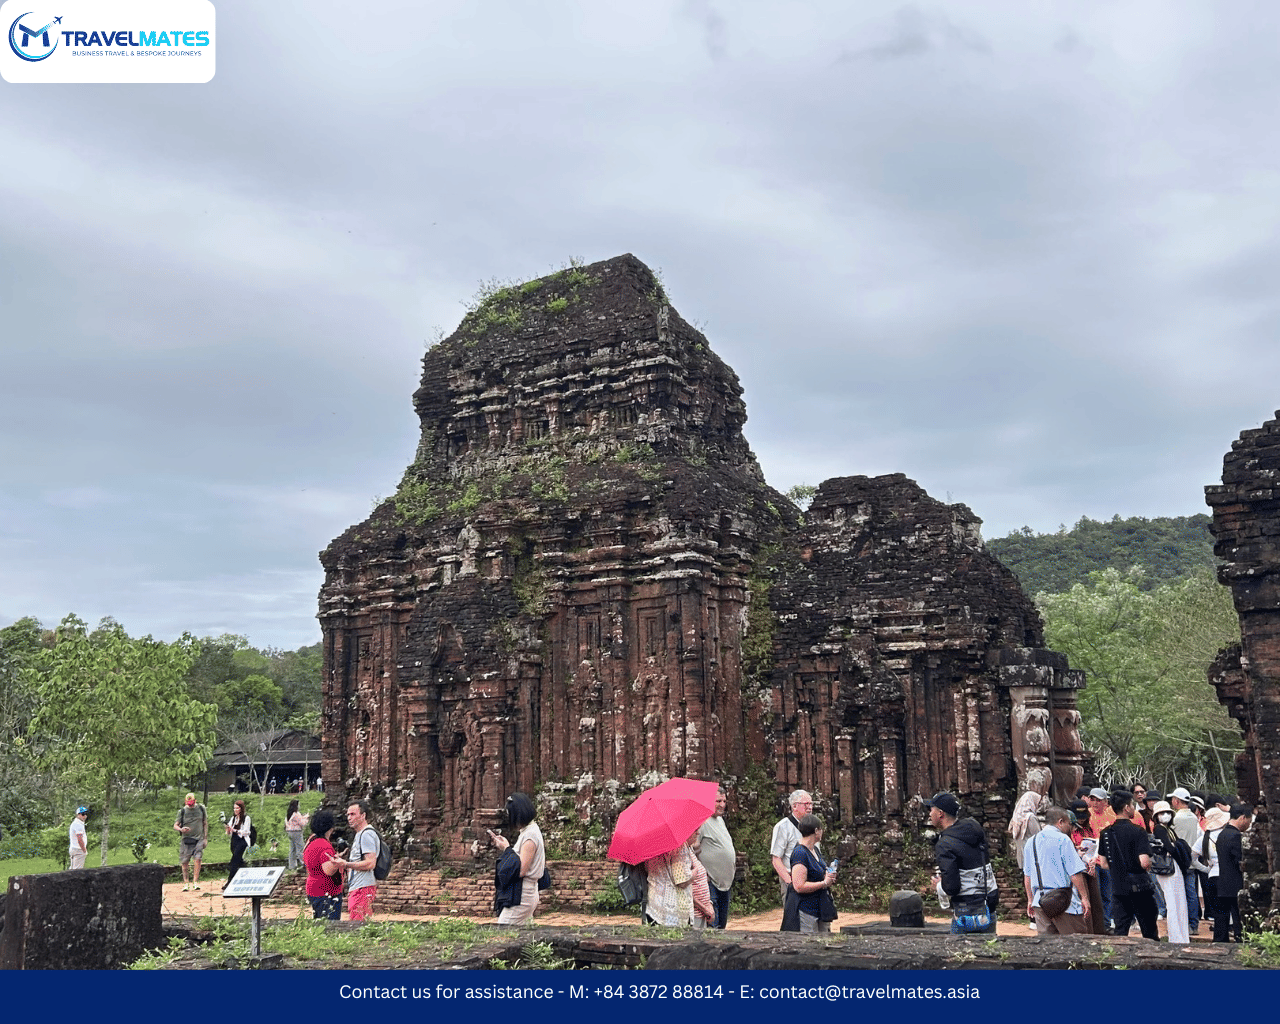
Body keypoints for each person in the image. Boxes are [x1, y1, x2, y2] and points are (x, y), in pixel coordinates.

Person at [927, 792, 995, 934]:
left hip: (966, 911)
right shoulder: (974, 830)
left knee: (961, 947)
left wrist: (939, 885)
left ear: (940, 813)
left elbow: (952, 887)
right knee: (988, 945)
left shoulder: (945, 844)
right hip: (988, 904)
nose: (929, 814)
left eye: (931, 809)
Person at [1097, 792, 1158, 939]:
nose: (1133, 808)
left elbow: (1103, 864)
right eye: (1132, 805)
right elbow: (1144, 862)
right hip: (1140, 887)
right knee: (1149, 930)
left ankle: (1118, 954)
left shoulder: (1105, 833)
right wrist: (1149, 864)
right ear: (1126, 808)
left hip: (1118, 887)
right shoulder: (1138, 831)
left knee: (1121, 931)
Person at [1023, 806, 1091, 934]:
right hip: (1064, 902)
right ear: (1060, 822)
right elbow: (1074, 873)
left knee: (1047, 944)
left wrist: (1030, 900)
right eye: (1069, 824)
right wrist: (1084, 898)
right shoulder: (1063, 840)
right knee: (1076, 942)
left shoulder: (1031, 842)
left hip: (1040, 902)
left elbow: (1028, 876)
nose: (1070, 828)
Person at [490, 792, 545, 925]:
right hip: (523, 891)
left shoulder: (530, 836)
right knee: (523, 934)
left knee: (504, 929)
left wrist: (507, 849)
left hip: (523, 893)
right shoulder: (528, 831)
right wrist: (506, 847)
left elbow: (521, 870)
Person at [692, 786, 736, 929]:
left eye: (724, 801)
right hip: (710, 883)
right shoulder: (702, 820)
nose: (722, 805)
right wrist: (699, 870)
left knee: (721, 926)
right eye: (718, 801)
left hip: (725, 884)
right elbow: (692, 848)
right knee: (713, 926)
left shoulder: (720, 820)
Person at [785, 813, 836, 934]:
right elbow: (799, 886)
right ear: (816, 831)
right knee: (809, 942)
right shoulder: (800, 853)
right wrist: (824, 883)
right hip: (806, 909)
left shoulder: (815, 849)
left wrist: (829, 876)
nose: (822, 832)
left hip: (820, 907)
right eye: (821, 829)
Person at [330, 800, 381, 922]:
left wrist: (346, 864)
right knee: (356, 921)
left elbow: (370, 863)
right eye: (348, 814)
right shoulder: (360, 834)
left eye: (353, 814)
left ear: (363, 816)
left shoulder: (367, 835)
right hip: (357, 886)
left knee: (357, 925)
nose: (349, 818)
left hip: (362, 887)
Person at [1149, 800, 1190, 944]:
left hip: (1174, 866)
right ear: (1156, 816)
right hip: (1168, 868)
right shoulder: (1159, 829)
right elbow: (1169, 847)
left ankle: (1182, 936)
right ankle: (1176, 937)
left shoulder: (1169, 829)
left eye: (1167, 812)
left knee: (1179, 901)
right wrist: (1177, 848)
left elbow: (1173, 847)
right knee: (1173, 903)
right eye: (1161, 813)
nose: (1165, 815)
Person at [1213, 804, 1252, 943]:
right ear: (1242, 818)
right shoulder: (1235, 836)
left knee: (1221, 920)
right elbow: (1239, 860)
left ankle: (1219, 944)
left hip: (1223, 882)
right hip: (1235, 883)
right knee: (1239, 920)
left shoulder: (1222, 834)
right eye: (1249, 821)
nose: (1249, 825)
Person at [770, 790, 815, 903]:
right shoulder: (783, 827)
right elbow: (776, 859)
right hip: (793, 880)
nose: (810, 808)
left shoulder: (813, 826)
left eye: (811, 804)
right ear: (794, 806)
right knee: (794, 913)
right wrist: (790, 883)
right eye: (806, 804)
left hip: (812, 882)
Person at [1169, 787, 1202, 934]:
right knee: (1191, 893)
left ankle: (1180, 924)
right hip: (1191, 860)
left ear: (1177, 801)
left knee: (1177, 893)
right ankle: (1193, 925)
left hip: (1178, 860)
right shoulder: (1194, 818)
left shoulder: (1176, 819)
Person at [644, 840, 696, 927]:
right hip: (673, 910)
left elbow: (646, 869)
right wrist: (695, 872)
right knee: (676, 936)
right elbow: (681, 881)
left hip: (654, 905)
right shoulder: (678, 845)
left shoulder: (649, 845)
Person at [303, 808, 343, 919]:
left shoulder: (311, 841)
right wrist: (339, 862)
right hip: (325, 891)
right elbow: (328, 870)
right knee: (329, 923)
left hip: (314, 888)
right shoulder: (324, 846)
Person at [1007, 767, 1050, 870]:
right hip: (1031, 852)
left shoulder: (1018, 816)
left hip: (1022, 850)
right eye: (1037, 802)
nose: (1038, 805)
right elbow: (1038, 835)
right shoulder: (1030, 817)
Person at [174, 792, 208, 890]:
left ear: (195, 801)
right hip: (186, 839)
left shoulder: (201, 808)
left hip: (199, 838)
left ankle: (195, 882)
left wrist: (205, 838)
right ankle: (186, 882)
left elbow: (205, 823)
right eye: (188, 802)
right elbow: (175, 825)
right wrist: (181, 829)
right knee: (185, 861)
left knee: (198, 859)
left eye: (192, 802)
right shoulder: (182, 811)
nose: (190, 804)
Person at [224, 798, 251, 886]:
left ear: (241, 809)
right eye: (234, 808)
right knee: (239, 859)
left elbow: (246, 831)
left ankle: (230, 881)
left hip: (242, 841)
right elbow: (229, 832)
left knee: (234, 860)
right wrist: (228, 829)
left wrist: (235, 830)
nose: (235, 810)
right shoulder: (233, 819)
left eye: (237, 808)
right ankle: (247, 873)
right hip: (234, 840)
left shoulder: (246, 818)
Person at [285, 798, 307, 871]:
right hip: (296, 832)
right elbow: (302, 823)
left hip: (290, 831)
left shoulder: (290, 814)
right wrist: (306, 818)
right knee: (300, 848)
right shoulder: (296, 814)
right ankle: (304, 863)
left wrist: (303, 817)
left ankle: (292, 865)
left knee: (292, 849)